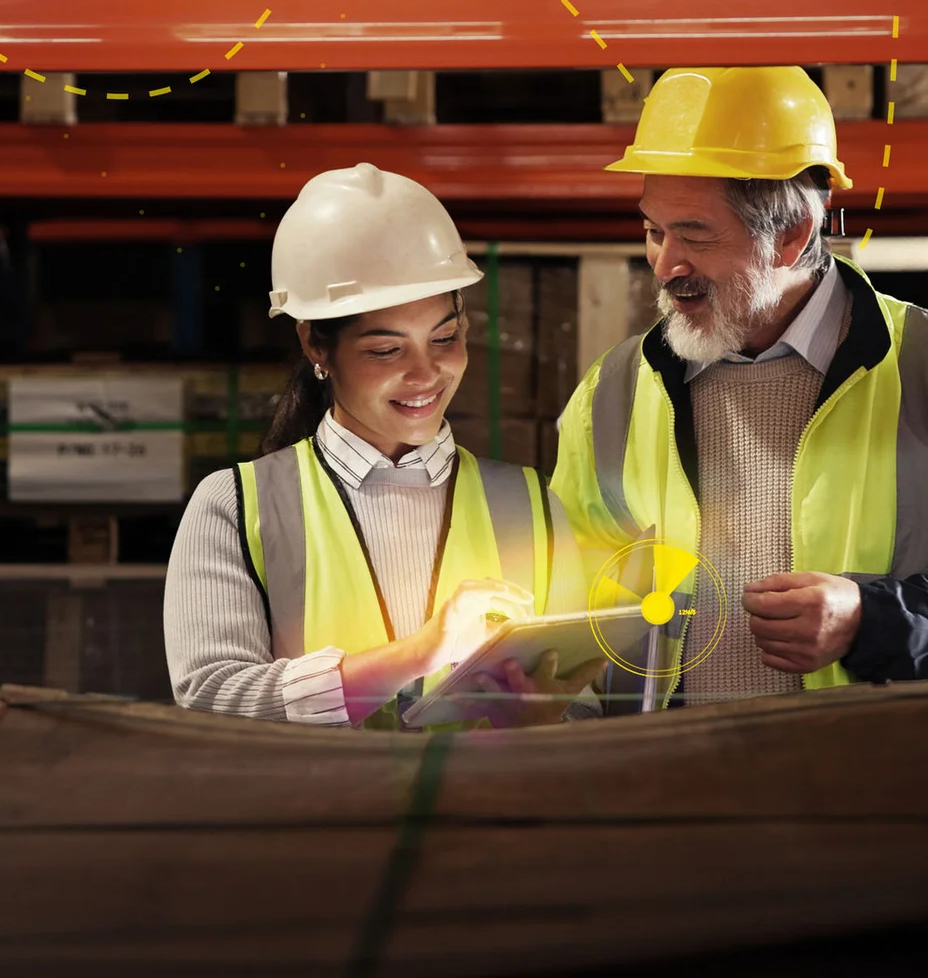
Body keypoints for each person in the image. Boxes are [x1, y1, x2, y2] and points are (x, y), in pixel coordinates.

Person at [549, 66, 928, 786]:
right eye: (652, 232)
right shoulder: (615, 390)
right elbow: (565, 614)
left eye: (695, 236)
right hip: (675, 814)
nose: (665, 264)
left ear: (792, 234)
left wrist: (872, 622)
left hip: (888, 824)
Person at [165, 162, 605, 730]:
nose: (427, 374)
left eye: (445, 338)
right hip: (318, 816)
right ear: (316, 346)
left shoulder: (532, 504)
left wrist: (542, 719)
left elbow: (587, 708)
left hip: (480, 813)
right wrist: (419, 653)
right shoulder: (236, 505)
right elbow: (211, 695)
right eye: (385, 351)